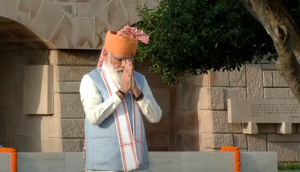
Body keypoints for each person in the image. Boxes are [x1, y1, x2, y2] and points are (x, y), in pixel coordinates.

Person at [79, 26, 162, 172]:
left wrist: (136, 91)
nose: (123, 65)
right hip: (103, 165)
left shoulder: (140, 80)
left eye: (128, 59)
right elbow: (93, 117)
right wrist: (122, 92)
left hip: (137, 164)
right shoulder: (90, 80)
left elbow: (156, 117)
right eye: (119, 59)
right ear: (105, 55)